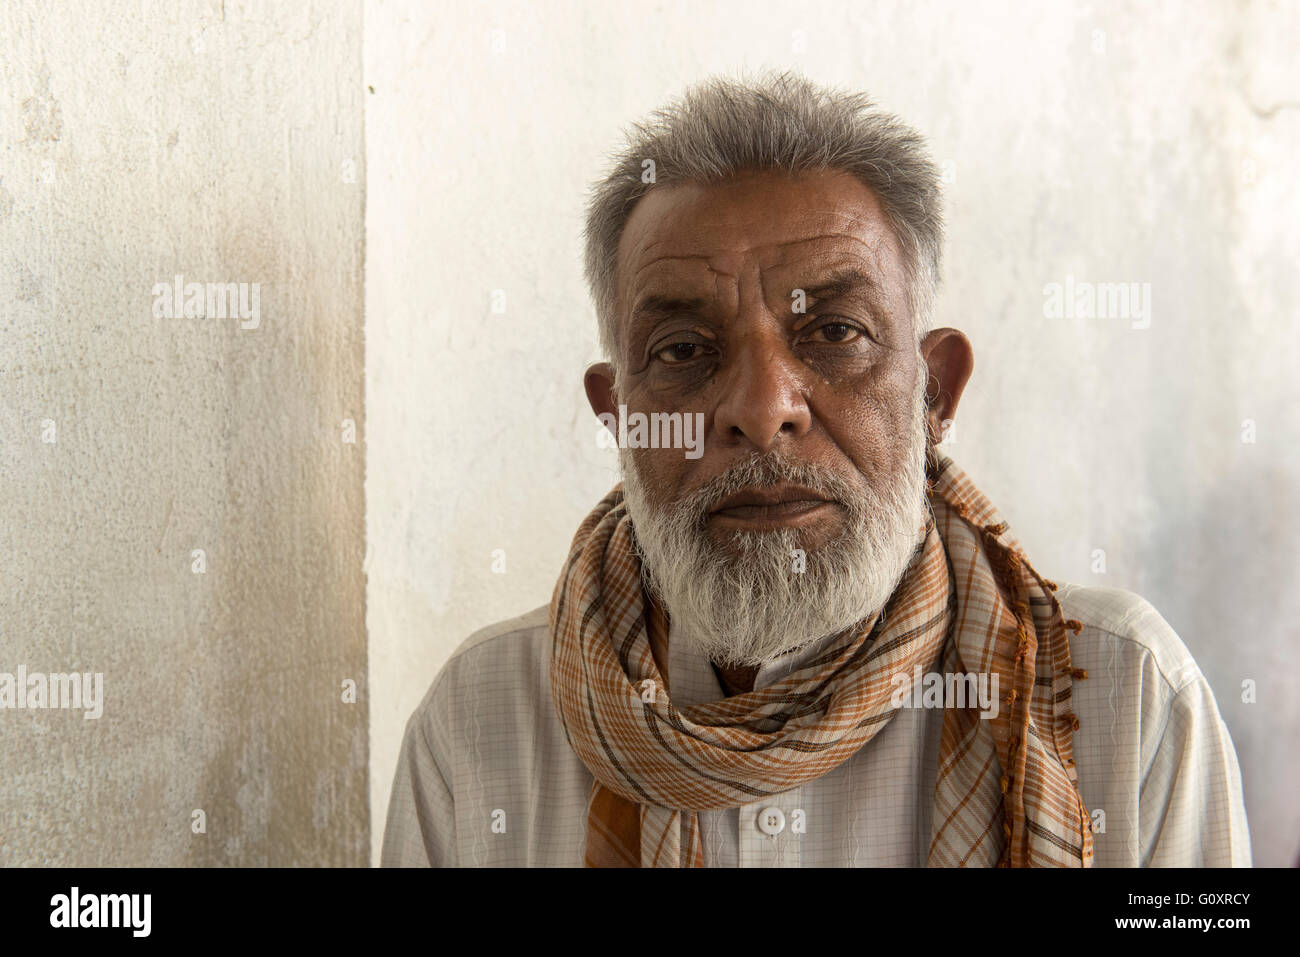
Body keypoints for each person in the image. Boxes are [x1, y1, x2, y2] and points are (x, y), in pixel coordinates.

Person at [381, 71, 1250, 867]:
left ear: (935, 391)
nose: (763, 411)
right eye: (683, 349)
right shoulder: (480, 719)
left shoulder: (1124, 699)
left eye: (835, 333)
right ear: (618, 414)